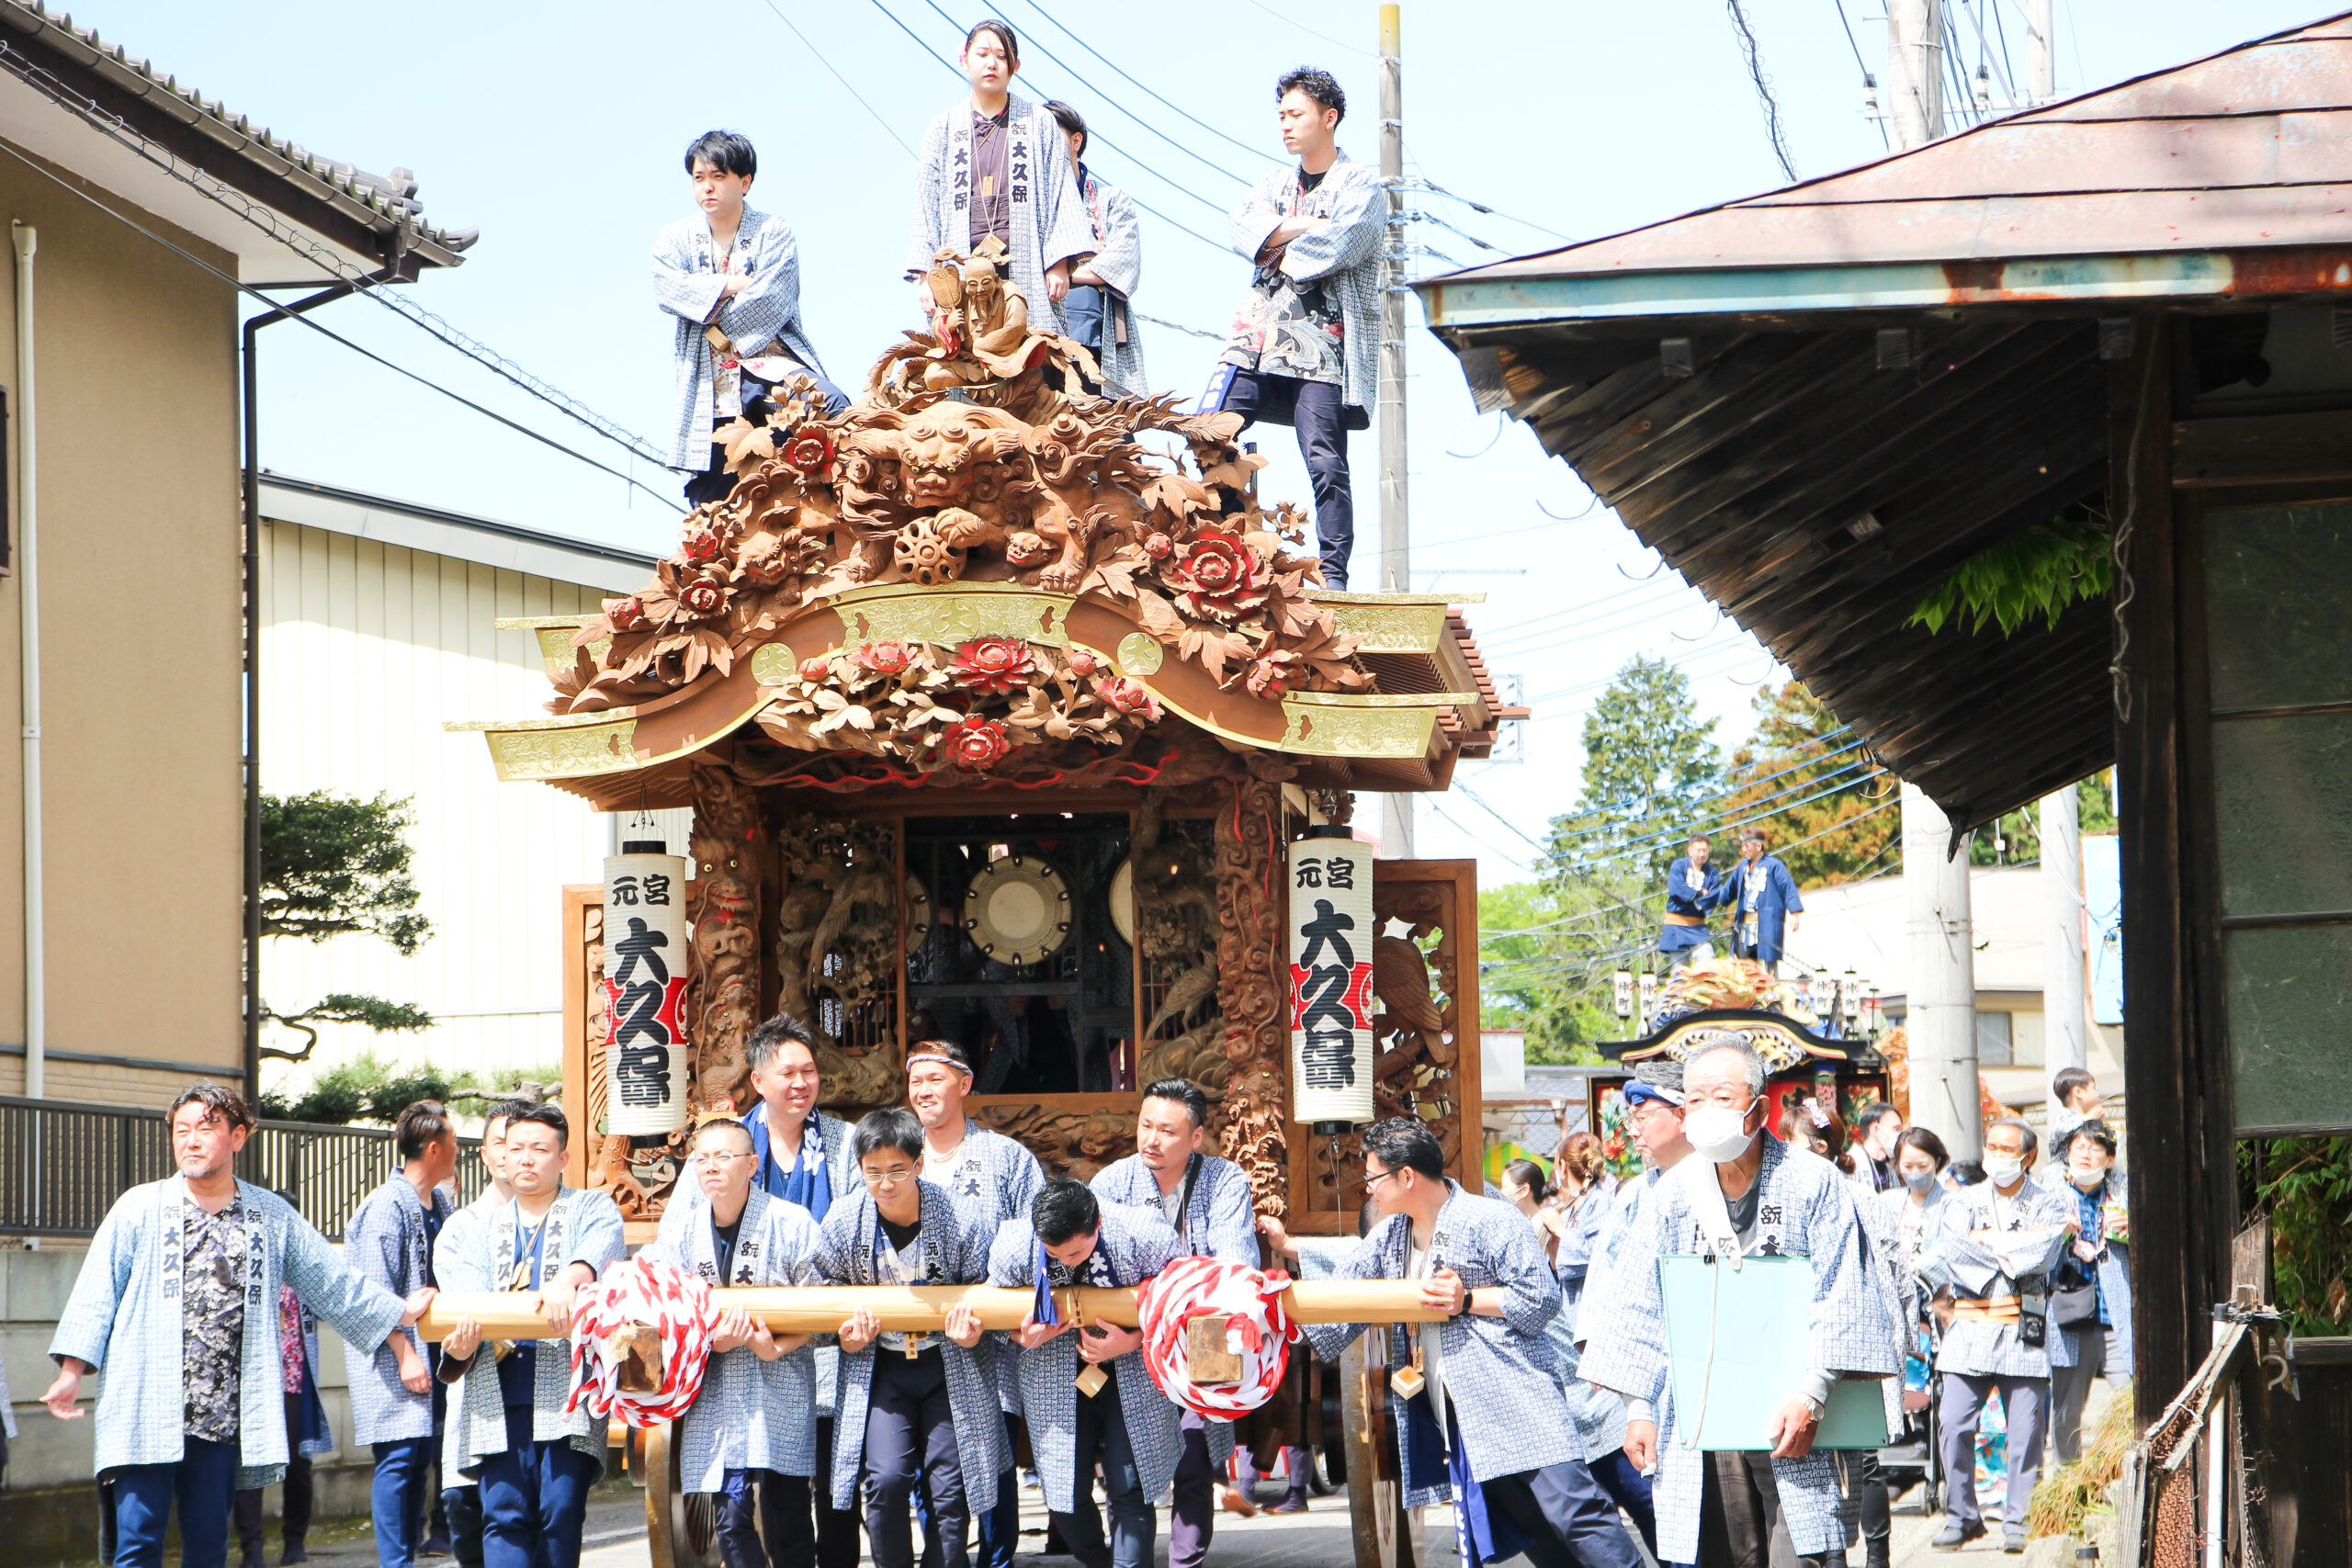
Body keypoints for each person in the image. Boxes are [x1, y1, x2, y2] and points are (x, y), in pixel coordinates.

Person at [43, 1084, 433, 1568]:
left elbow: (331, 1280)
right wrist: (71, 1373)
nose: (191, 1140)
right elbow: (96, 1291)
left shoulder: (270, 1215)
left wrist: (398, 1310)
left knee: (209, 1546)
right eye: (181, 1130)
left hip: (223, 1416)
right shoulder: (138, 1207)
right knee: (137, 1542)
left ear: (239, 1137)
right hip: (144, 1402)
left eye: (206, 1128)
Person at [1261, 1120, 1643, 1568]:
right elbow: (1344, 1292)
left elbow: (1541, 1298)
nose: (1368, 1189)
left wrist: (1466, 1300)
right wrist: (1269, 1314)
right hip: (1461, 1414)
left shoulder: (1489, 1217)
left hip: (1520, 1399)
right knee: (1533, 1530)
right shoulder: (1389, 1235)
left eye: (1373, 1177)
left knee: (1576, 1513)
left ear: (1406, 1176)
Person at [1580, 1042, 1903, 1568]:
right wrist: (1638, 1410)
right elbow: (1638, 1303)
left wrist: (1813, 1393)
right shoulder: (1672, 1193)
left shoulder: (1813, 1181)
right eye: (1695, 1099)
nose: (1706, 1110)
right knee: (1725, 1551)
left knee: (1801, 1550)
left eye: (1722, 1097)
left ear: (1758, 1109)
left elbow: (1843, 1291)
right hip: (1706, 1401)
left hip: (1796, 1401)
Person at [1200, 67, 1384, 591]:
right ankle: (1225, 545)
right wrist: (1304, 225)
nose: (1285, 124)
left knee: (1325, 460)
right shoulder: (1272, 182)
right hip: (1255, 335)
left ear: (1329, 118)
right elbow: (1242, 227)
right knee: (1211, 430)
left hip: (1322, 343)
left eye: (1295, 113)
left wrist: (1275, 240)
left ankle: (1333, 575)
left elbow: (1343, 244)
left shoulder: (1362, 185)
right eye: (1280, 114)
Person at [434, 1104, 627, 1568]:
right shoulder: (473, 1227)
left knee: (561, 1513)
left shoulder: (591, 1207)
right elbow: (465, 1299)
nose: (525, 1158)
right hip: (495, 1392)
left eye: (539, 1149)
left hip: (568, 1394)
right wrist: (459, 1344)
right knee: (503, 1516)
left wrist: (571, 1277)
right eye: (515, 1147)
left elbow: (602, 1246)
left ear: (562, 1158)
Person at [812, 1109, 1003, 1568]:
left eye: (897, 1170)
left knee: (949, 1487)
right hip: (882, 1365)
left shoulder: (960, 1214)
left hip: (948, 1363)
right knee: (886, 1478)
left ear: (919, 1164)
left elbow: (989, 1285)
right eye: (873, 1172)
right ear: (859, 1169)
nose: (885, 1183)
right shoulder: (844, 1218)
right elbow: (821, 1286)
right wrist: (843, 1336)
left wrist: (974, 1329)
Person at [1089, 1080, 1261, 1552]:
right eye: (1146, 1125)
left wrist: (1149, 1327)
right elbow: (1098, 1274)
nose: (1152, 1139)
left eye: (1167, 1131)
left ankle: (1185, 1560)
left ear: (1196, 1137)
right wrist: (1138, 1336)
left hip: (1205, 1336)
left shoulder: (1224, 1180)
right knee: (1127, 1471)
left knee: (1194, 1459)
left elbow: (1231, 1270)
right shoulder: (1111, 1183)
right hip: (1129, 1343)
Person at [654, 1118, 823, 1568]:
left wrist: (776, 1346)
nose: (711, 1167)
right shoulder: (680, 1233)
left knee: (788, 1517)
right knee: (729, 1517)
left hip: (780, 1384)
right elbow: (666, 1316)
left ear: (752, 1165)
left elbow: (823, 1312)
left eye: (723, 1157)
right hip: (716, 1393)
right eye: (702, 1158)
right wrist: (710, 1341)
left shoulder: (792, 1222)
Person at [989, 1180, 1182, 1568]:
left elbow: (1182, 1302)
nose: (1066, 1260)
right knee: (1065, 1492)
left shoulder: (1143, 1232)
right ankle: (1098, 1560)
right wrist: (1019, 1335)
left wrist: (1132, 1340)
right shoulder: (1013, 1243)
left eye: (1076, 1252)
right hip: (1053, 1370)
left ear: (1098, 1222)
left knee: (1130, 1484)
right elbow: (990, 1310)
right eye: (1054, 1253)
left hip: (1133, 1367)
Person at [905, 1040, 1044, 1568]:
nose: (923, 1091)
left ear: (964, 1084)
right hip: (917, 1339)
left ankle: (997, 1559)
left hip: (989, 1339)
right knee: (929, 1471)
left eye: (935, 1079)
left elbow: (1037, 1242)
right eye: (916, 1081)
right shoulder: (899, 1154)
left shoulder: (1008, 1158)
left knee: (994, 1461)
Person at [657, 129, 847, 509]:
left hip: (770, 364)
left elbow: (771, 298)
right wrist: (732, 284)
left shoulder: (773, 230)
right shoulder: (675, 237)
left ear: (744, 182)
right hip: (707, 377)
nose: (707, 187)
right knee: (712, 501)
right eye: (698, 177)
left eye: (718, 176)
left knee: (833, 410)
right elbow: (666, 289)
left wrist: (702, 302)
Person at [739, 1013, 865, 1568]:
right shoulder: (730, 1144)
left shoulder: (845, 1141)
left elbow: (864, 1225)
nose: (800, 1083)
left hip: (833, 1331)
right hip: (758, 1338)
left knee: (839, 1482)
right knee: (780, 1487)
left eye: (808, 1071)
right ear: (757, 1080)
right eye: (786, 1072)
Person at [1917, 1116, 2075, 1553]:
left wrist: (1987, 1240)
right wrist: (2010, 1248)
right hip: (1969, 1325)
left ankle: (2019, 1519)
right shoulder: (1961, 1201)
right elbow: (1954, 1251)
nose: (1997, 1155)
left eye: (2007, 1149)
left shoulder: (2048, 1202)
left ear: (2028, 1156)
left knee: (2025, 1431)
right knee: (1952, 1424)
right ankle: (1962, 1516)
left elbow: (2043, 1256)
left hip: (2024, 1326)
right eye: (1992, 1147)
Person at [906, 20, 1092, 342]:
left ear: (1015, 66)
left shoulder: (1040, 122)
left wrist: (1059, 264)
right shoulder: (942, 128)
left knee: (1035, 353)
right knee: (959, 357)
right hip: (962, 267)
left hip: (1027, 262)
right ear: (964, 59)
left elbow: (1061, 191)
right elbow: (926, 205)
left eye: (1001, 56)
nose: (991, 63)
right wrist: (926, 276)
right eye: (982, 54)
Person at [346, 1103, 461, 1568]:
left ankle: (409, 1555)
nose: (458, 1150)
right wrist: (404, 1354)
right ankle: (395, 1562)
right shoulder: (385, 1205)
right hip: (396, 1356)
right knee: (398, 1459)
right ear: (433, 1148)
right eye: (453, 1142)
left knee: (421, 1458)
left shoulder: (440, 1203)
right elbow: (371, 1291)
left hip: (434, 1353)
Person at [437, 1100, 530, 1568]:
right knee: (464, 1507)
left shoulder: (569, 1219)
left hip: (540, 1398)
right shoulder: (462, 1228)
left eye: (525, 1144)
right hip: (478, 1393)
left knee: (542, 1521)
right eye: (502, 1144)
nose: (514, 1155)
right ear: (487, 1155)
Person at [232, 1190, 337, 1568]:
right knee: (250, 1466)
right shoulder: (246, 1259)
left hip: (294, 1380)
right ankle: (252, 1549)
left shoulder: (305, 1266)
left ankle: (295, 1541)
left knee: (298, 1464)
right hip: (254, 1382)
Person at [1040, 101, 1145, 399]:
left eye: (1052, 136)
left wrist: (1059, 268)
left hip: (1096, 332)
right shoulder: (1028, 207)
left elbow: (1122, 264)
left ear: (1076, 141)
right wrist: (1085, 257)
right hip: (1039, 332)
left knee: (1103, 419)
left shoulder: (1111, 200)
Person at [2047, 1121, 2130, 1468]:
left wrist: (2133, 1227)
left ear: (2109, 1159)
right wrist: (2055, 1232)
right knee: (2066, 1412)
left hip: (2115, 1315)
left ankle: (2123, 1474)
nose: (2085, 1154)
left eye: (2095, 1148)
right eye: (2078, 1147)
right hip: (2069, 1316)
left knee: (2132, 1401)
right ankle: (2069, 1485)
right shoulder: (2050, 1195)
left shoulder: (2125, 1193)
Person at [1725, 829, 1804, 974]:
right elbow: (1727, 891)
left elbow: (1788, 887)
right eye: (1743, 846)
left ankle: (1771, 987)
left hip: (1767, 923)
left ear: (1758, 846)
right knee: (1743, 967)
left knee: (1769, 968)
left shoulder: (1774, 865)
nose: (1744, 850)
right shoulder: (1742, 867)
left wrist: (1794, 912)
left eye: (1747, 846)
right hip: (1745, 926)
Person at [1660, 836, 1726, 966]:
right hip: (1675, 925)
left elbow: (1713, 897)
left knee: (1708, 962)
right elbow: (1677, 889)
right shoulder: (1679, 866)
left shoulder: (1712, 873)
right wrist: (1698, 893)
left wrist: (1698, 900)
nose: (1702, 854)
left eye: (1704, 850)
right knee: (1680, 970)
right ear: (1690, 850)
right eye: (1698, 850)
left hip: (1698, 927)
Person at [1849, 1102, 1904, 1196]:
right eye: (1896, 1129)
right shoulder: (1849, 1165)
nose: (1900, 1135)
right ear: (1875, 1129)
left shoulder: (1891, 1167)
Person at [2048, 1067, 2103, 1140]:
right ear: (2078, 1092)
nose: (2097, 1094)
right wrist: (2089, 1119)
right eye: (2093, 1088)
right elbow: (2065, 1134)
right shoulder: (2063, 1118)